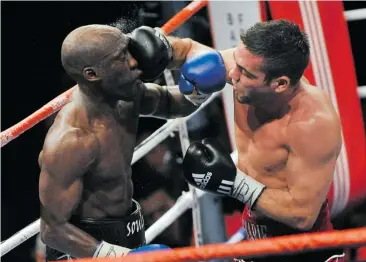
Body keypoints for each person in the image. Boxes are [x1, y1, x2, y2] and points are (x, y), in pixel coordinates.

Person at [144, 19, 345, 261]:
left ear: (280, 84)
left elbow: (302, 216)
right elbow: (187, 49)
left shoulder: (312, 124)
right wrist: (159, 48)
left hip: (302, 249)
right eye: (236, 63)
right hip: (255, 233)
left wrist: (233, 183)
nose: (231, 74)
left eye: (245, 73)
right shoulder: (244, 69)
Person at [38, 24, 227, 261]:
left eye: (129, 50)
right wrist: (123, 257)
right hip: (84, 249)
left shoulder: (124, 96)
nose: (134, 61)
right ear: (92, 74)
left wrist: (199, 90)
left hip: (128, 231)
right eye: (121, 58)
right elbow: (52, 230)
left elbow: (169, 103)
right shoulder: (72, 141)